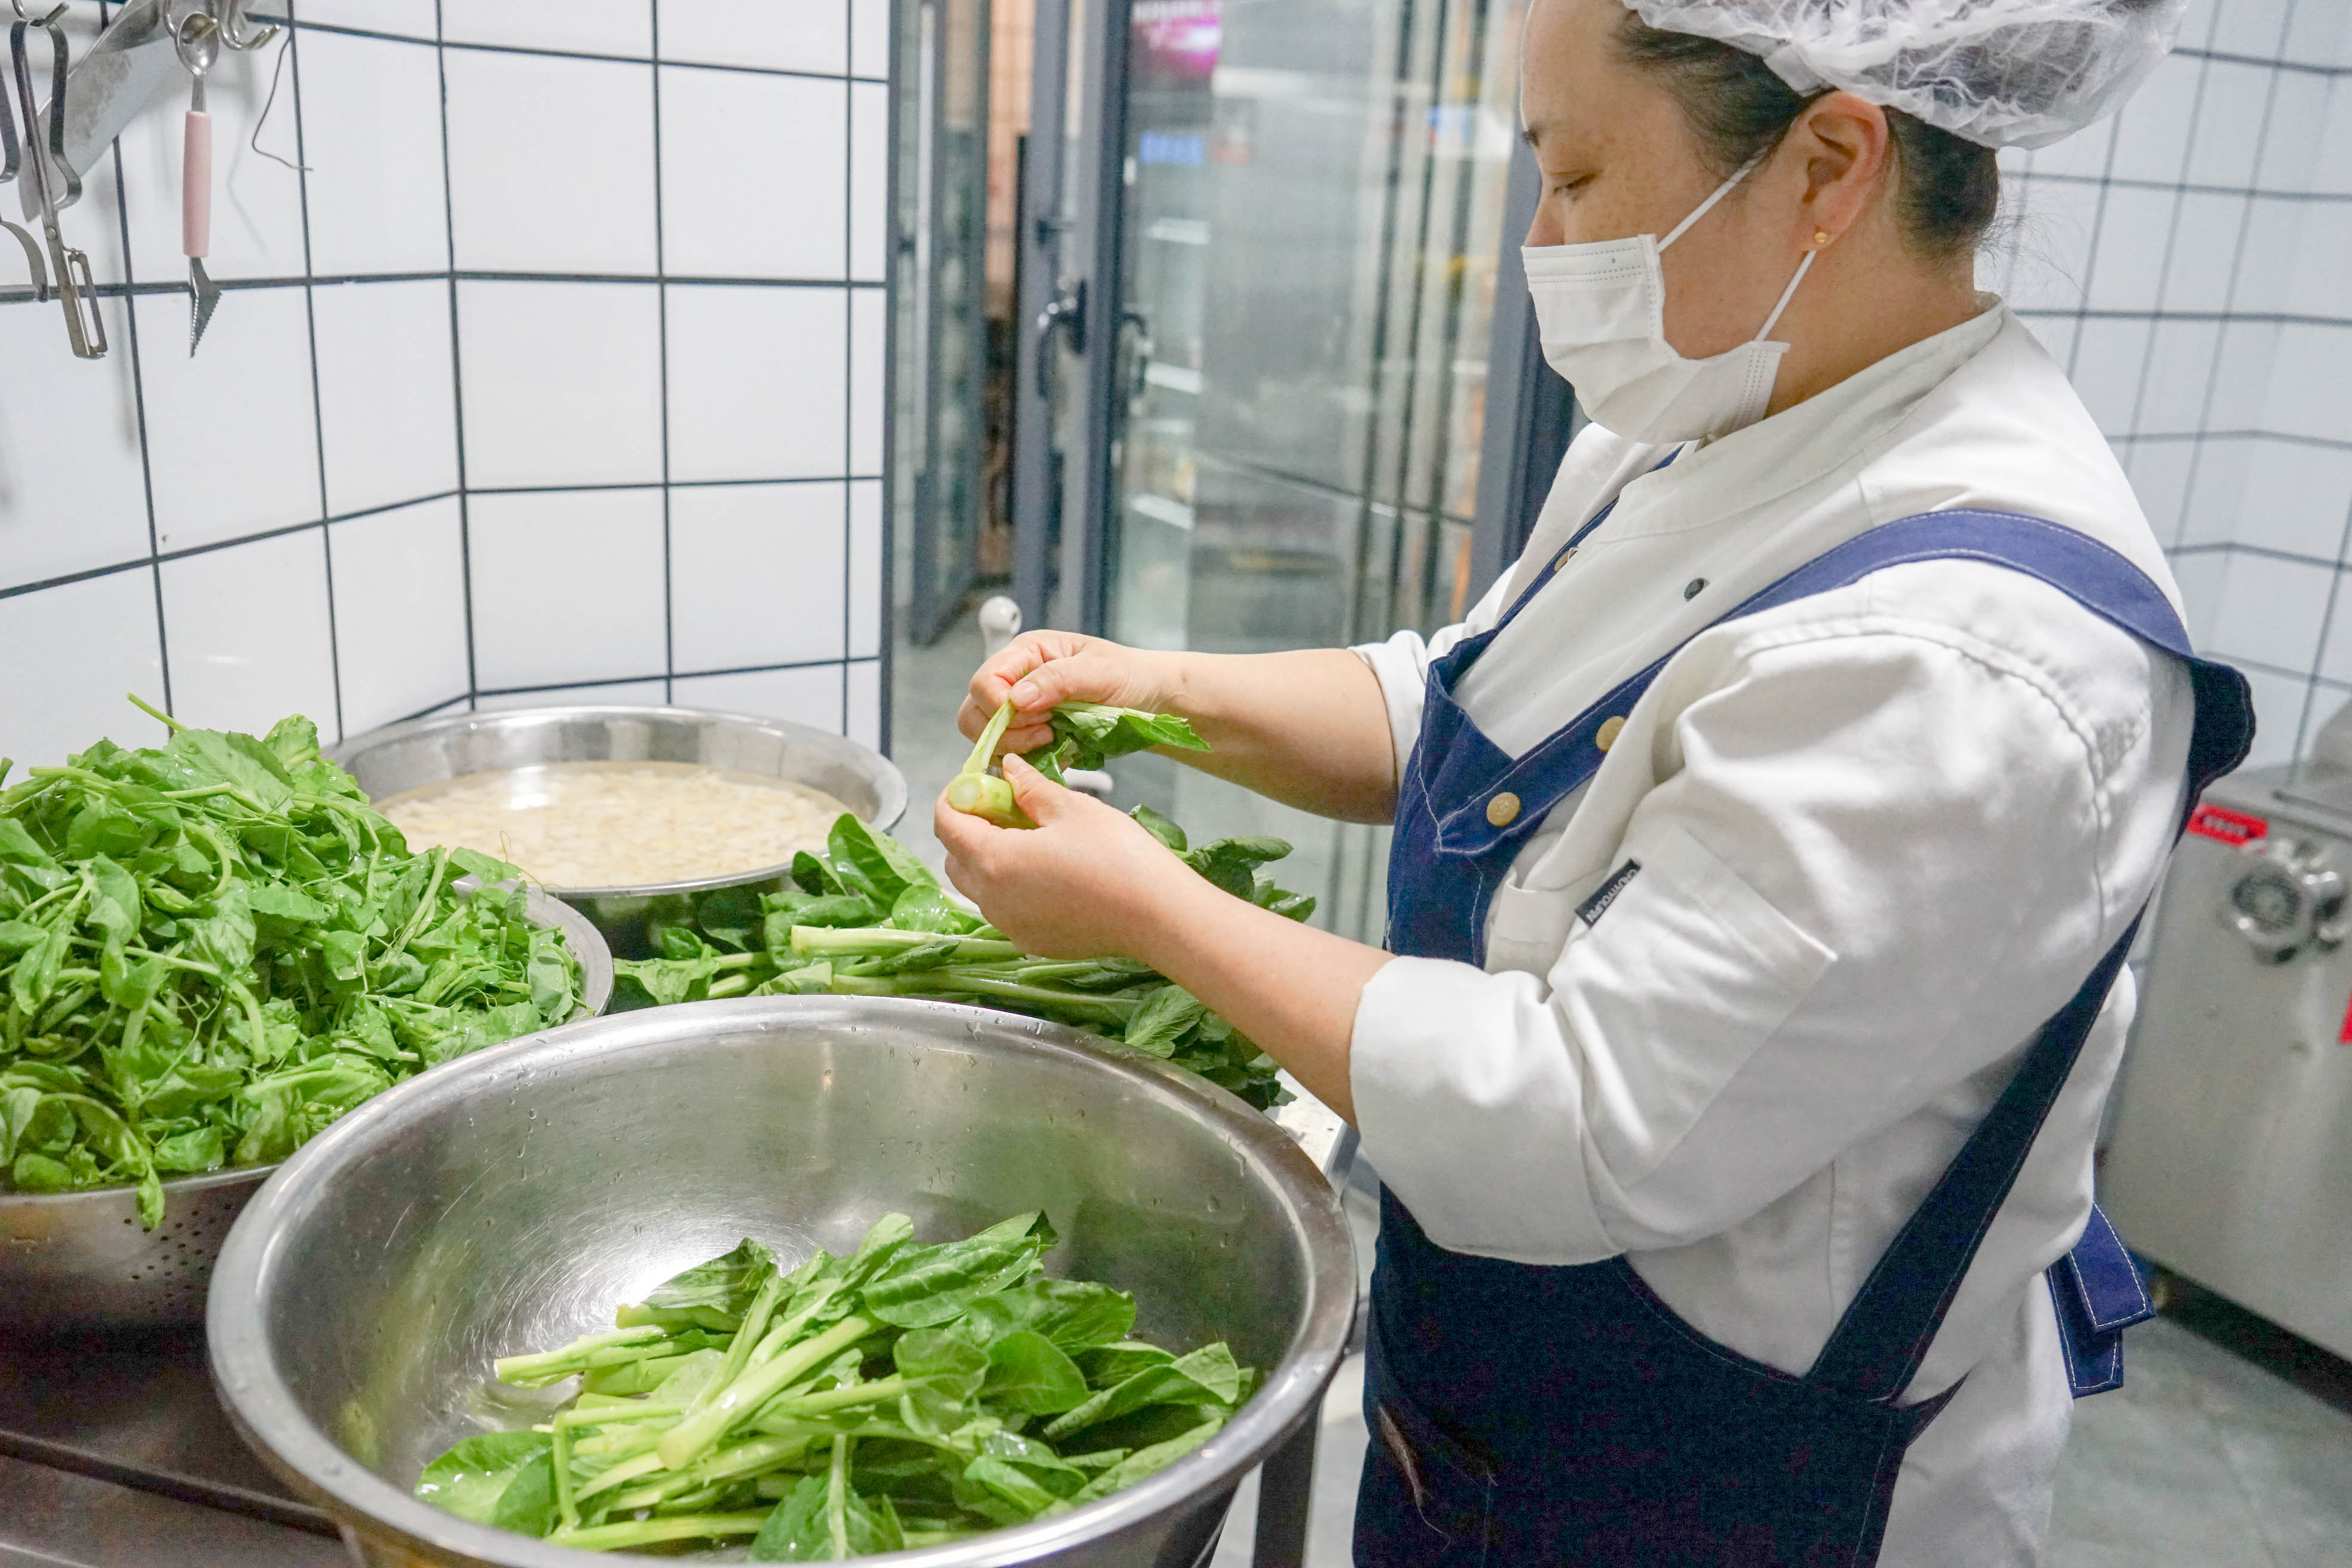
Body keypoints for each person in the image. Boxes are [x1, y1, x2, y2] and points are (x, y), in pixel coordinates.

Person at [933, 1, 2250, 1563]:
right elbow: (1474, 711)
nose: (1541, 239)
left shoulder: (1973, 667)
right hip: (1502, 1407)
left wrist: (1150, 910)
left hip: (1729, 1488)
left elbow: (1577, 1124)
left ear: (1830, 162)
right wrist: (1162, 694)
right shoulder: (1712, 406)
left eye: (1575, 176)